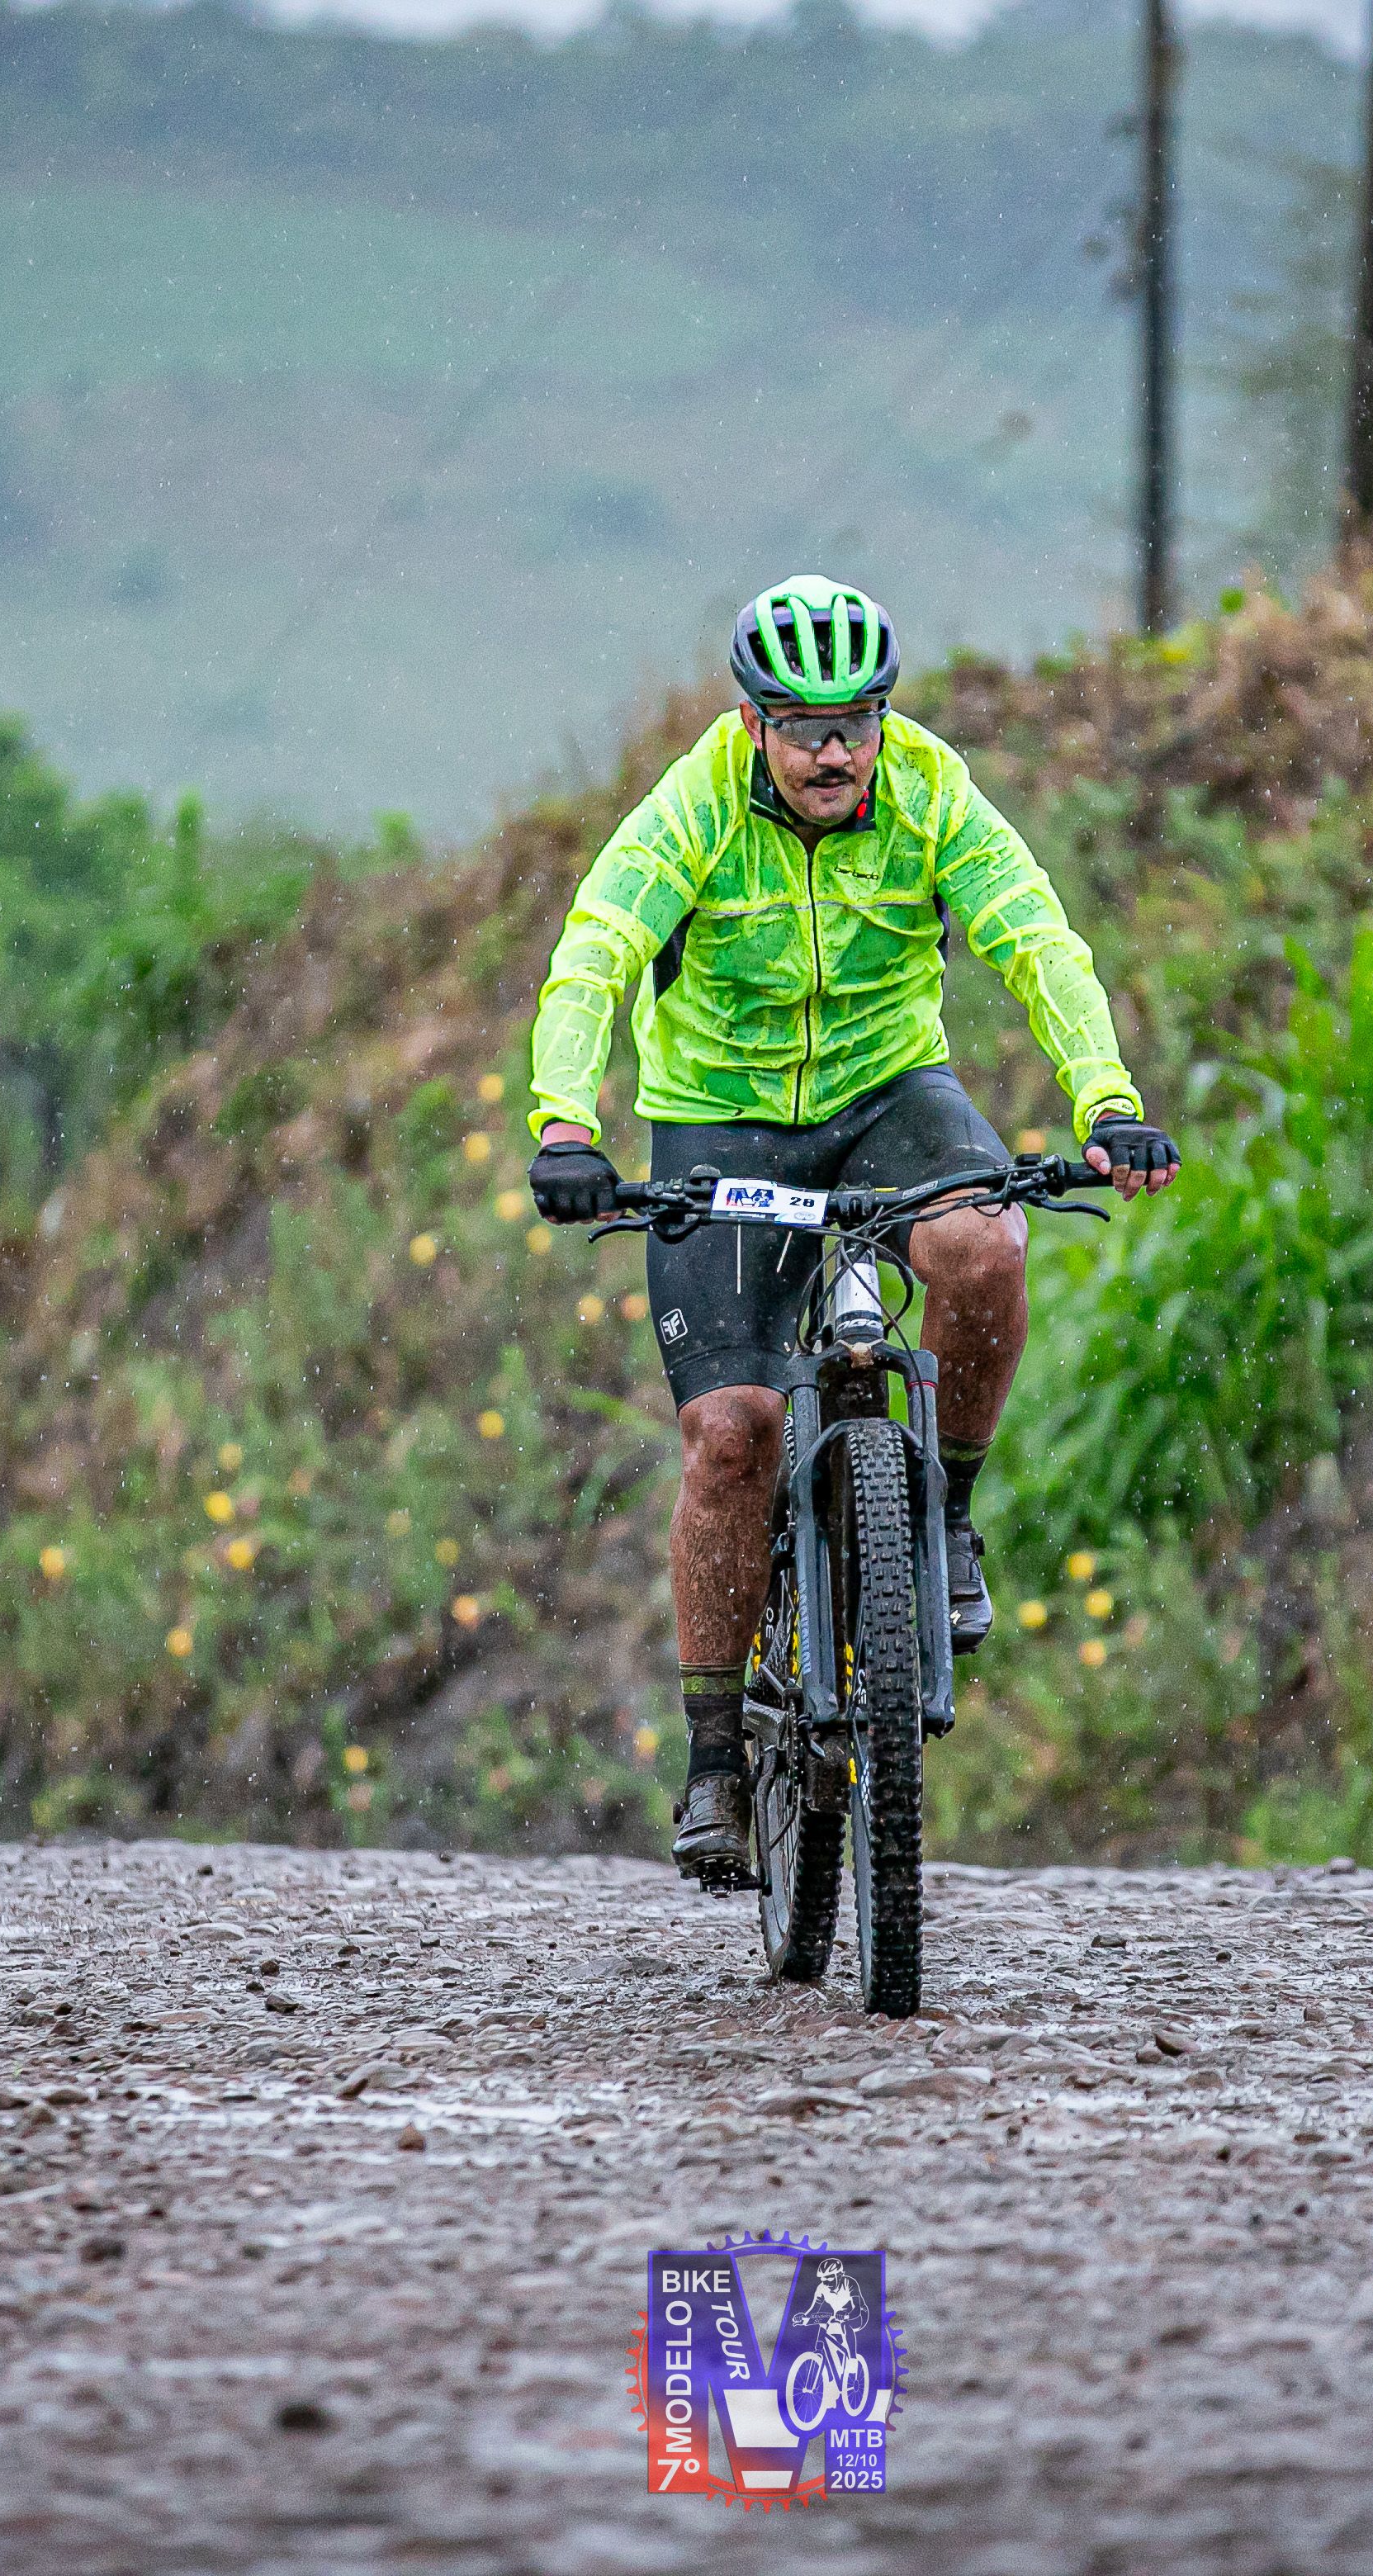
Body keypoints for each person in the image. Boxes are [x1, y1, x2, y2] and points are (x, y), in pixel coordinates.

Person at [519, 574, 1178, 1888]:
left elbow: (1037, 940)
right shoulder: (695, 807)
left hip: (890, 1096)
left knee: (986, 1249)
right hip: (720, 1117)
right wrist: (564, 1125)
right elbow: (595, 954)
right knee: (733, 1433)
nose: (835, 753)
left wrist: (1107, 1101)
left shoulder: (929, 789)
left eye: (857, 724)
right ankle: (717, 1757)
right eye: (806, 728)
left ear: (885, 720)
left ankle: (948, 1518)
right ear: (753, 725)